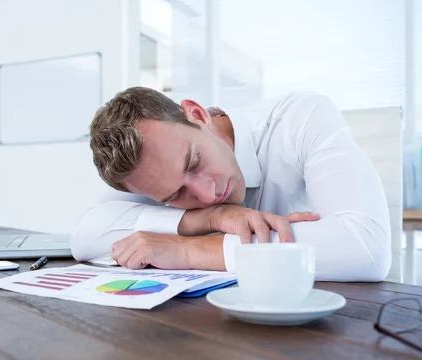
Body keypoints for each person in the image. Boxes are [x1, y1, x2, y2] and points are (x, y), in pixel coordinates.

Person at [71, 87, 391, 281]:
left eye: (194, 162)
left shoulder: (299, 119)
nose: (207, 193)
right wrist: (211, 218)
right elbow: (85, 236)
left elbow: (367, 247)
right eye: (176, 195)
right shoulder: (147, 170)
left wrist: (191, 251)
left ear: (197, 114)